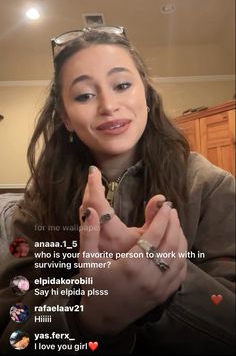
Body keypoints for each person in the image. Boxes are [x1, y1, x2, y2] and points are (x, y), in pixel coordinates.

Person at [0, 27, 235, 355]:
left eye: (122, 85)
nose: (108, 105)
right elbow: (11, 330)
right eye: (84, 95)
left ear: (147, 96)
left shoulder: (211, 186)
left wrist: (167, 286)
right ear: (66, 118)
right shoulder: (39, 201)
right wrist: (84, 318)